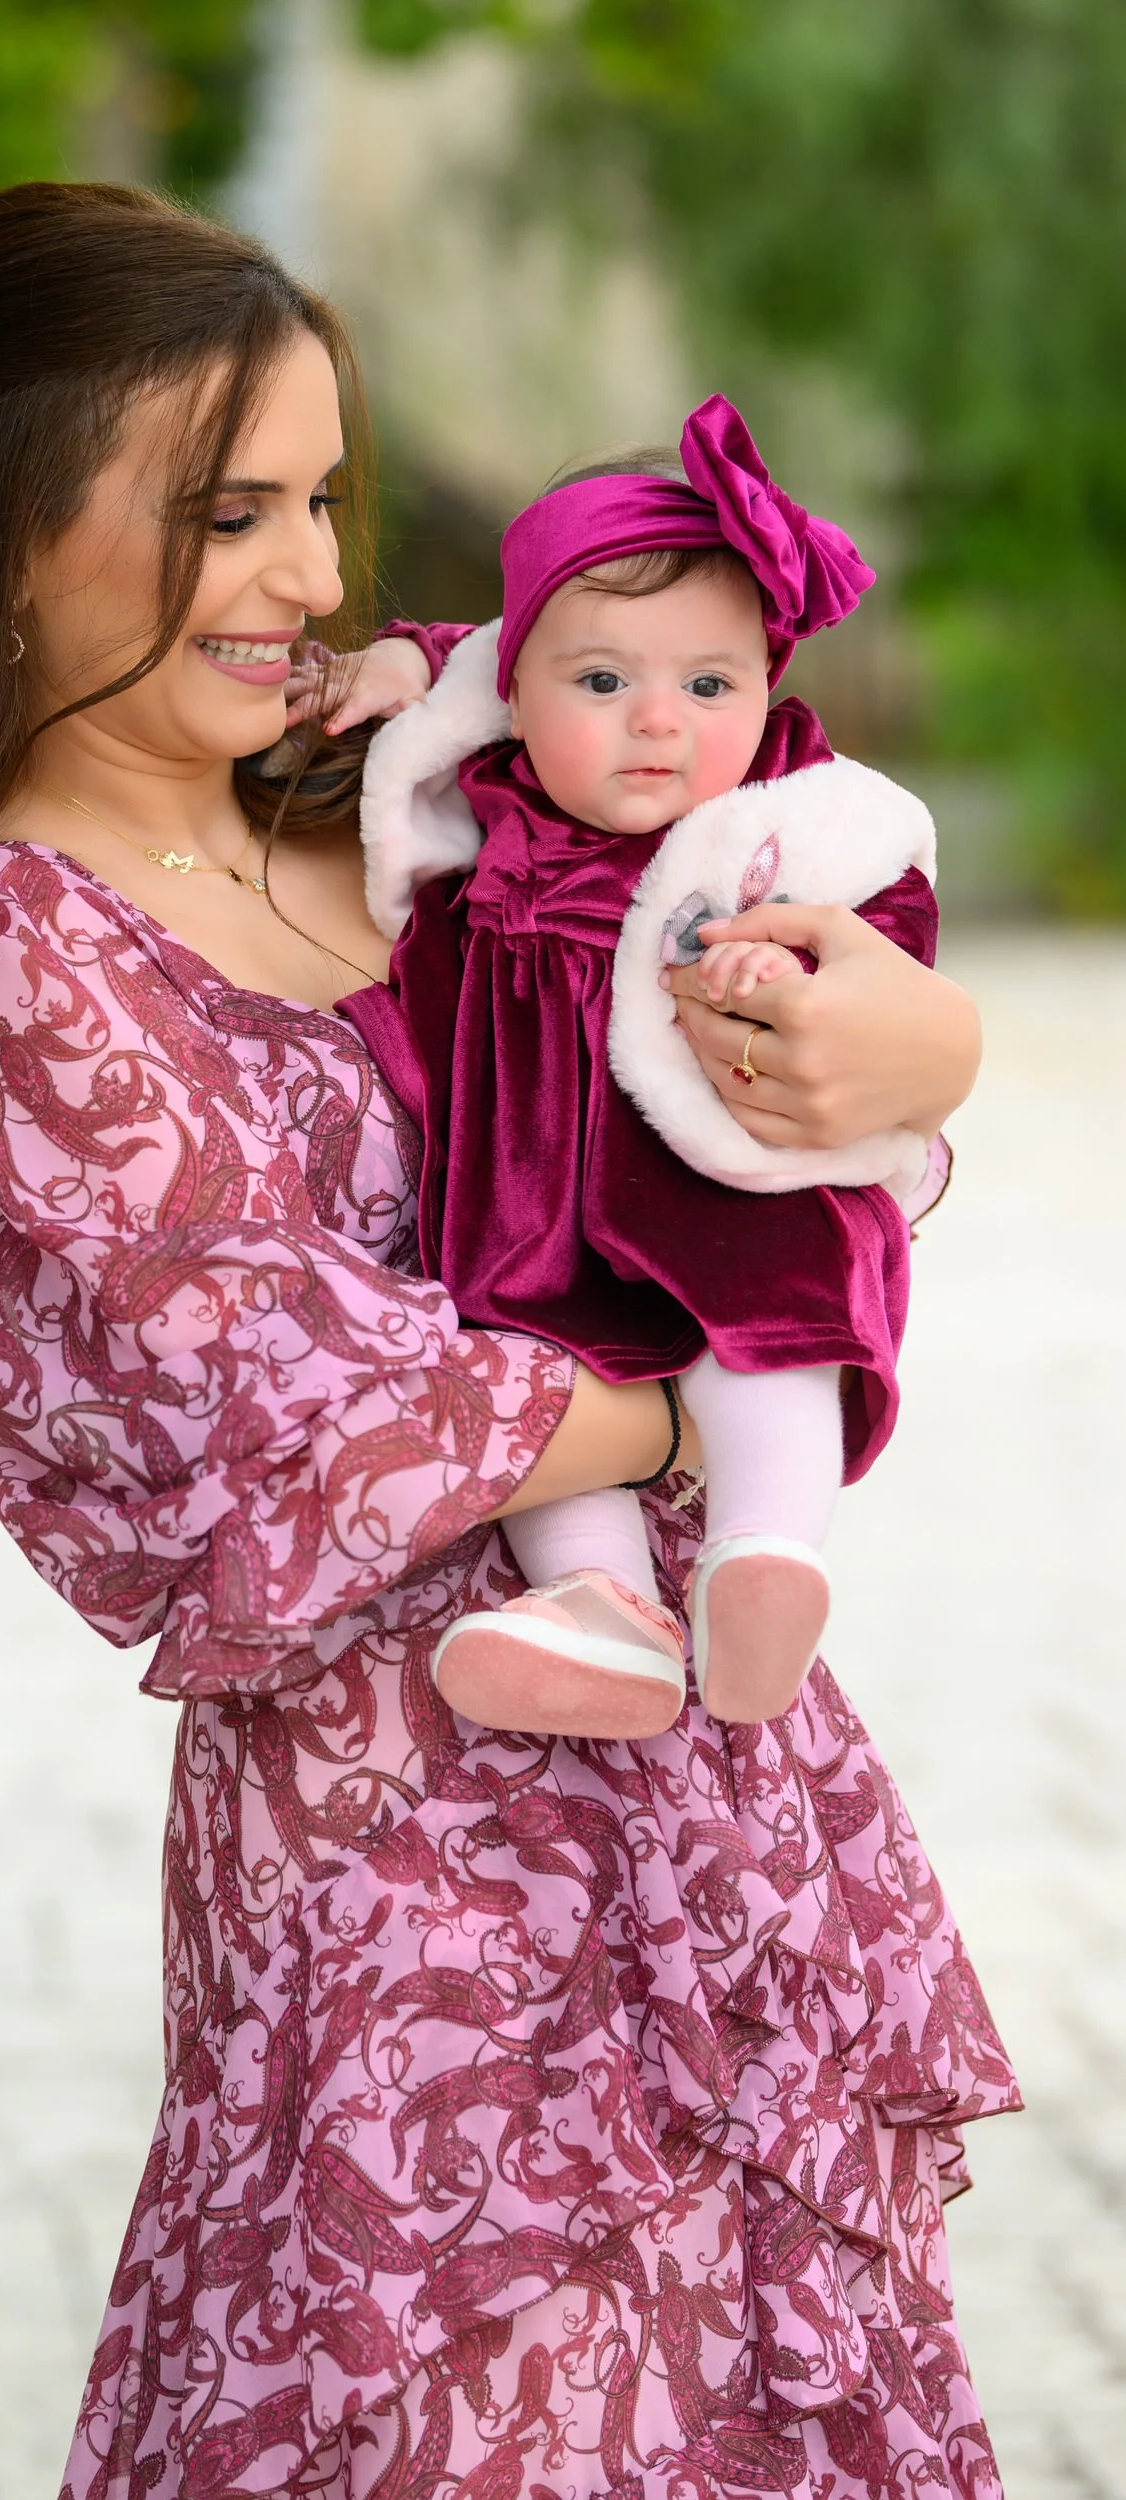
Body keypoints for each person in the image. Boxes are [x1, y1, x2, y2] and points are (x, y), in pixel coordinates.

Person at [0, 182, 1018, 2500]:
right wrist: (723, 1369)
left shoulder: (426, 774)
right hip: (404, 1869)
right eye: (220, 513)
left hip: (712, 1799)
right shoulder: (3, 957)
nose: (302, 577)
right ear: (3, 523)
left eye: (318, 501)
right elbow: (295, 1426)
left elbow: (786, 934)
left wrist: (918, 1052)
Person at [338, 402, 943, 1744]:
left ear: (765, 691)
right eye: (600, 685)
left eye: (707, 687)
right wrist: (401, 656)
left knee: (767, 1343)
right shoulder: (490, 793)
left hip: (731, 1183)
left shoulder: (792, 818)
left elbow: (886, 939)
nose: (655, 722)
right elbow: (470, 658)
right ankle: (598, 1602)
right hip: (529, 1193)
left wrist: (786, 976)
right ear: (517, 687)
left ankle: (767, 1556)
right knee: (527, 1371)